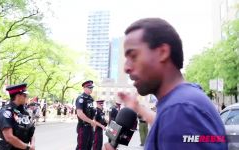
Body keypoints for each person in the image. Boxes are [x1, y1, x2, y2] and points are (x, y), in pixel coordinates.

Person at [104, 18, 227, 150]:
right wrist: (137, 107)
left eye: (133, 56)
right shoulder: (182, 102)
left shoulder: (181, 108)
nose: (126, 67)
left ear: (162, 52)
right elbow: (166, 127)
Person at [0, 83, 35, 150]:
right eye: (25, 95)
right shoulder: (6, 112)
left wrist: (32, 145)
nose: (27, 97)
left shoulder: (25, 112)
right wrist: (27, 147)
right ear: (18, 96)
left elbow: (31, 131)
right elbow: (9, 137)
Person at [75, 80, 105, 150]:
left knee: (89, 146)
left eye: (92, 88)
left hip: (90, 127)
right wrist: (91, 121)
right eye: (89, 88)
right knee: (81, 147)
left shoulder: (90, 98)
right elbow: (80, 113)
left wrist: (94, 120)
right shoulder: (81, 98)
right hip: (83, 126)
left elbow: (92, 112)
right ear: (84, 88)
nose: (91, 89)